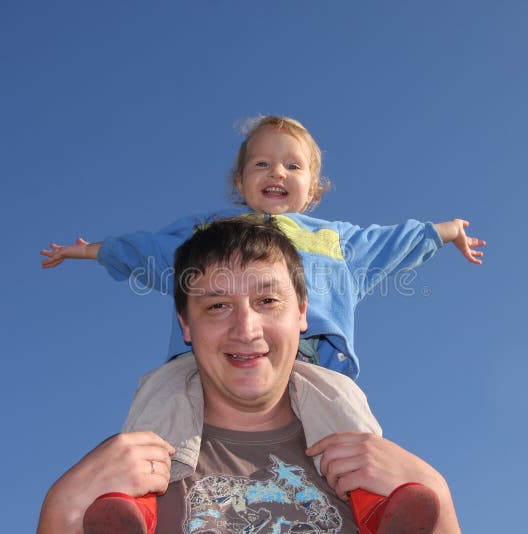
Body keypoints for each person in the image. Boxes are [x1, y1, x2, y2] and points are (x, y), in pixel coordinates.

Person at [36, 218, 461, 533]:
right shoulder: (125, 473)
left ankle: (374, 514)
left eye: (268, 300)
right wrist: (62, 509)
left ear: (301, 313)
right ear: (185, 325)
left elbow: (387, 245)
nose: (246, 329)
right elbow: (140, 251)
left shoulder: (368, 465)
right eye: (217, 306)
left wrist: (438, 496)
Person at [40, 115, 485, 380]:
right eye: (261, 163)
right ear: (240, 181)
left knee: (344, 416)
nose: (277, 171)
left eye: (293, 165)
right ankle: (143, 490)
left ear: (313, 188)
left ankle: (370, 497)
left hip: (309, 356)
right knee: (163, 397)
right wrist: (93, 250)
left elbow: (392, 242)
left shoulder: (336, 239)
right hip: (206, 359)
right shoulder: (208, 232)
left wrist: (444, 230)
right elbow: (149, 251)